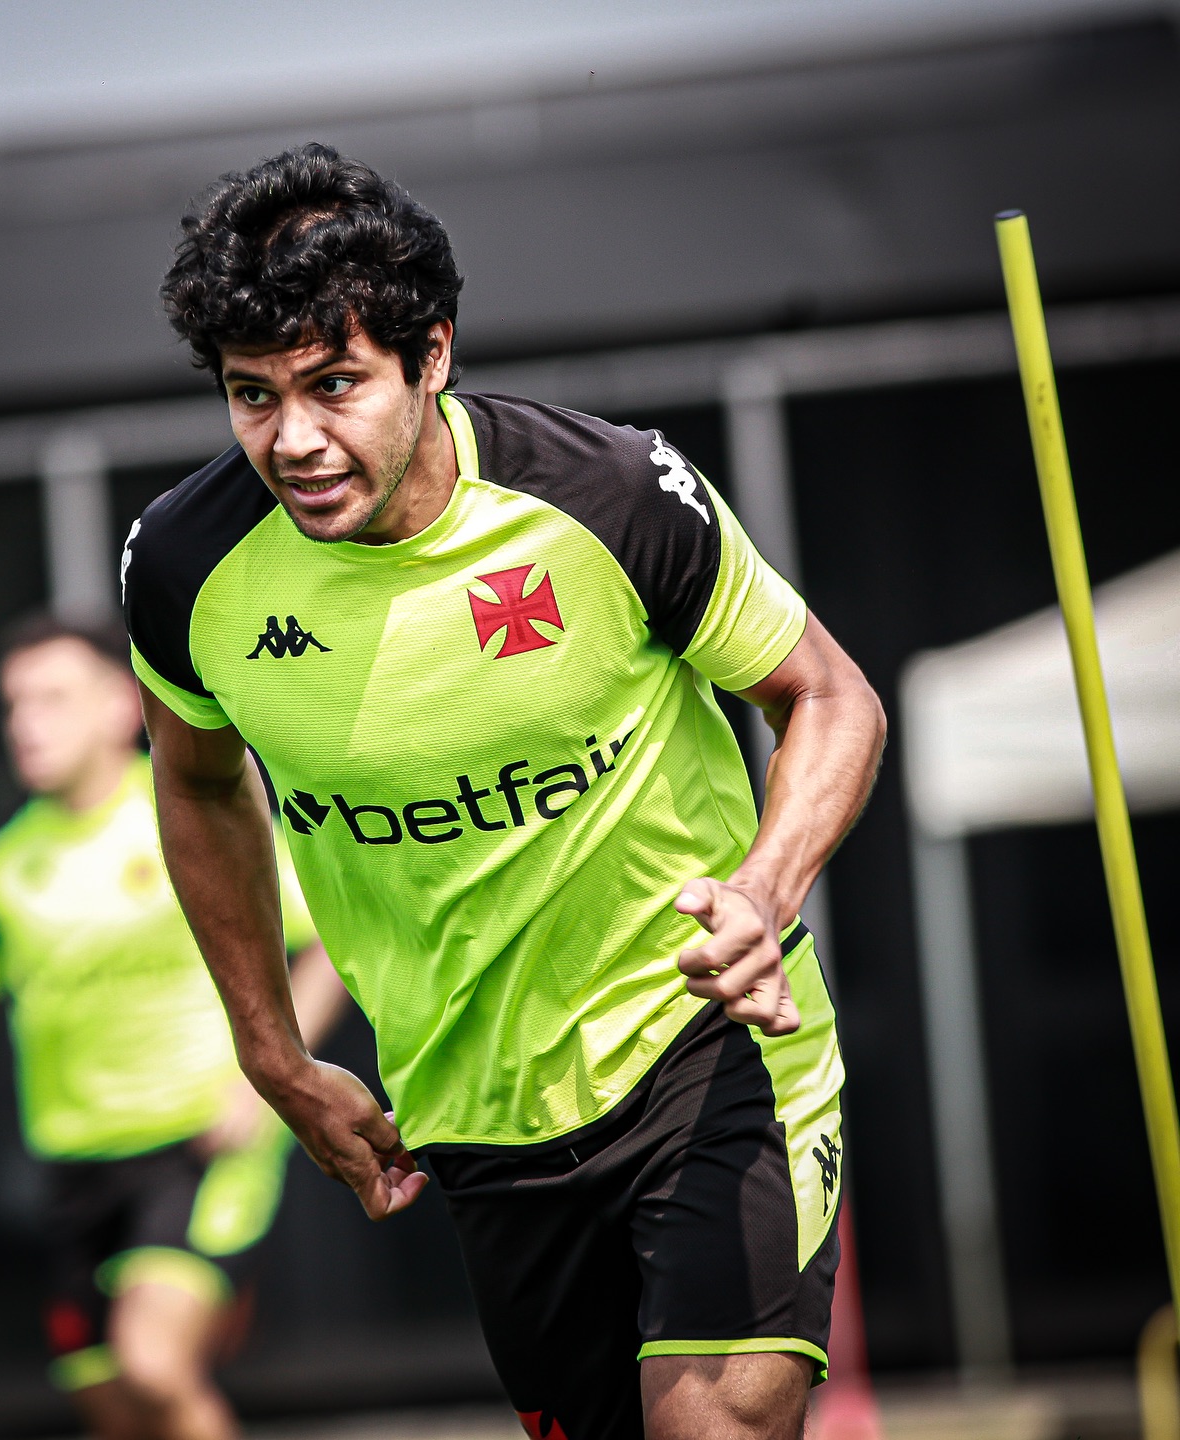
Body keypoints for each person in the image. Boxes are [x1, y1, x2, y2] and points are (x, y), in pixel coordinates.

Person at [123, 144, 887, 1440]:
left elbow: (830, 696)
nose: (293, 440)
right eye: (253, 396)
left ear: (432, 355)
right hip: (473, 1115)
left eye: (334, 385)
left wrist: (765, 889)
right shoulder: (185, 568)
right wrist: (271, 1051)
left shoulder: (608, 493)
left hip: (702, 1049)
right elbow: (198, 788)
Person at [0, 614, 348, 1440]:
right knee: (114, 1408)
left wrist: (271, 1070)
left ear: (122, 706)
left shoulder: (192, 812)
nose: (26, 723)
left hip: (202, 1147)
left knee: (153, 1367)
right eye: (14, 704)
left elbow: (326, 945)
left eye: (52, 699)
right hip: (76, 1168)